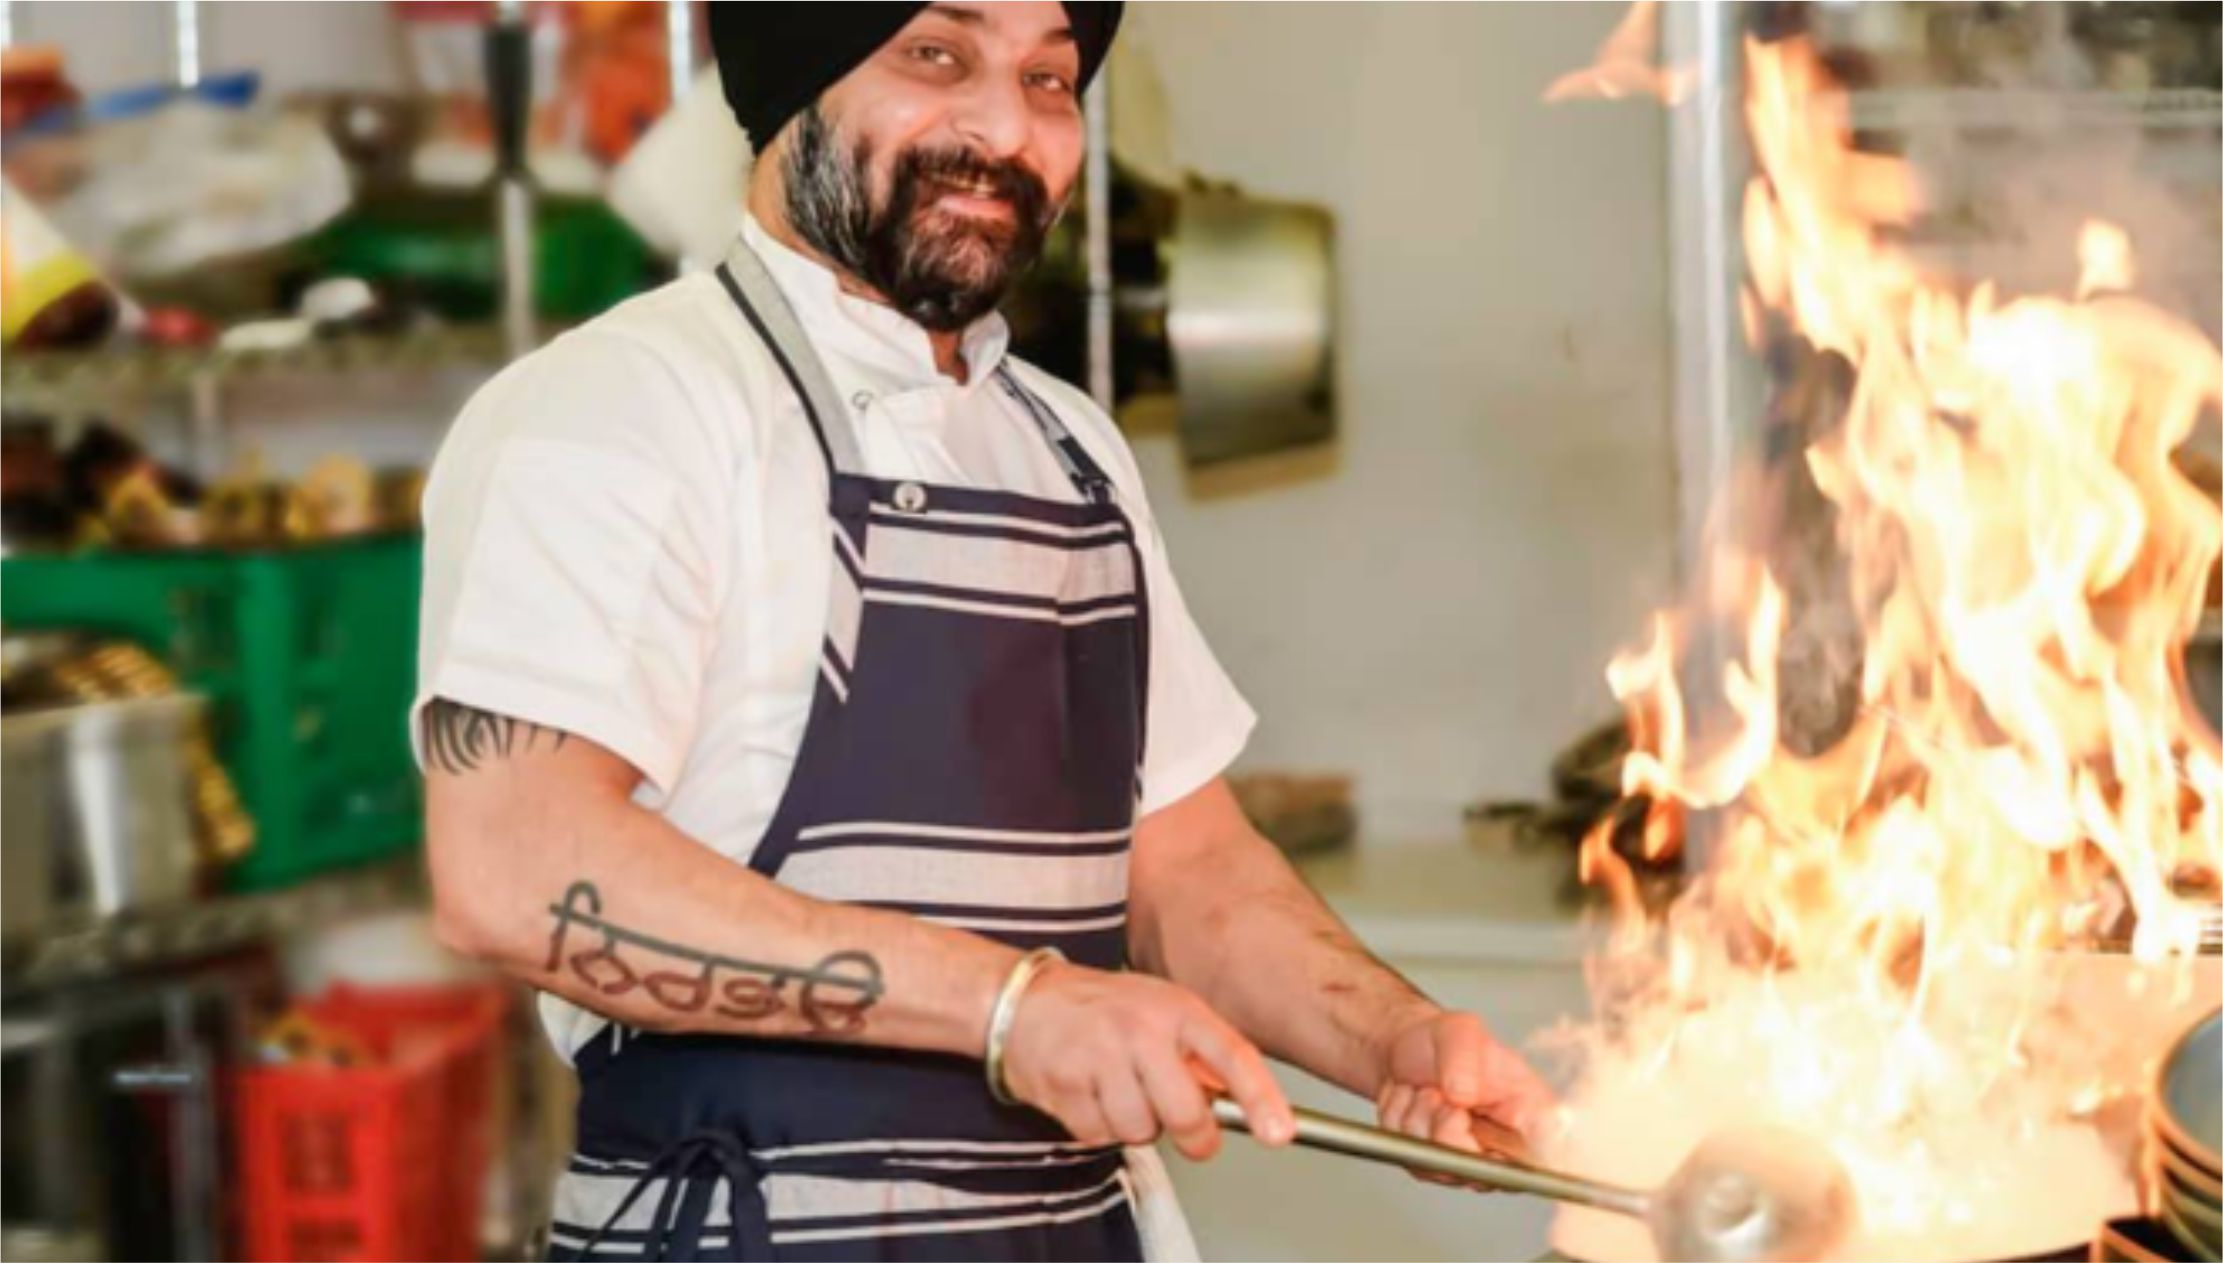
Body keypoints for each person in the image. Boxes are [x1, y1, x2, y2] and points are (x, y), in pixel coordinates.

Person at [415, 4, 1553, 1258]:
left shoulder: (1070, 449)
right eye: (937, 56)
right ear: (796, 79)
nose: (1008, 130)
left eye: (1051, 79)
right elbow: (515, 869)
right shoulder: (622, 409)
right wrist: (1011, 1008)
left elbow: (1186, 870)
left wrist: (1394, 1038)